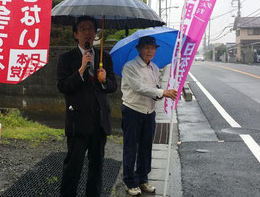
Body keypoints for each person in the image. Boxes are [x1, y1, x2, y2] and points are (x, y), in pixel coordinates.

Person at [57, 16, 117, 197]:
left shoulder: (104, 58)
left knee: (97, 167)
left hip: (99, 122)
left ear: (96, 33)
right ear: (75, 34)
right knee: (73, 166)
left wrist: (105, 79)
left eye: (91, 28)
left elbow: (113, 87)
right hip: (78, 123)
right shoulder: (66, 58)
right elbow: (63, 86)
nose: (87, 32)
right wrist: (81, 70)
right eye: (83, 29)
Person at [120, 36, 178, 196]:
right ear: (139, 49)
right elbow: (139, 88)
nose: (150, 51)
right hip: (132, 110)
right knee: (131, 147)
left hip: (149, 112)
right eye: (146, 47)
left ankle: (142, 179)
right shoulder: (130, 67)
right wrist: (162, 92)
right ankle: (130, 181)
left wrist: (163, 92)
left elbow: (154, 87)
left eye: (152, 48)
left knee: (146, 147)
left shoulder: (154, 67)